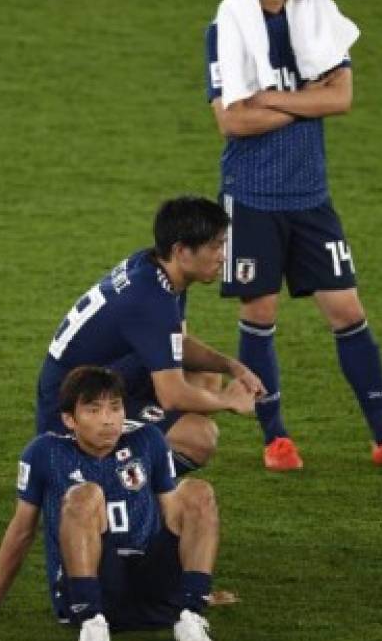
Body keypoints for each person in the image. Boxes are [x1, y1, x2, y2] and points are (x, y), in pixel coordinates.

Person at [205, 0, 382, 473]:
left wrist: (271, 98)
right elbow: (232, 123)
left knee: (348, 312)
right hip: (253, 198)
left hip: (311, 198)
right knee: (259, 315)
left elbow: (342, 98)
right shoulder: (226, 27)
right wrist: (307, 97)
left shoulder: (315, 17)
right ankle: (276, 439)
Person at [0, 365, 231, 641]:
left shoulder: (149, 441)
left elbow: (174, 516)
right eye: (94, 410)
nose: (108, 421)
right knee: (85, 495)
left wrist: (195, 582)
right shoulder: (45, 453)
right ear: (70, 419)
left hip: (151, 591)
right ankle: (91, 621)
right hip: (94, 587)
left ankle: (191, 611)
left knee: (198, 492)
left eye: (115, 408)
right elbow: (21, 531)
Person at [34, 196, 263, 473]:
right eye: (215, 246)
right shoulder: (151, 301)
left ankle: (127, 463)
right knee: (199, 438)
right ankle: (112, 484)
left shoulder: (155, 267)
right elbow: (173, 396)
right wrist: (229, 401)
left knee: (205, 376)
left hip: (101, 377)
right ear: (182, 251)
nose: (223, 256)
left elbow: (174, 343)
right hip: (74, 407)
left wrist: (232, 366)